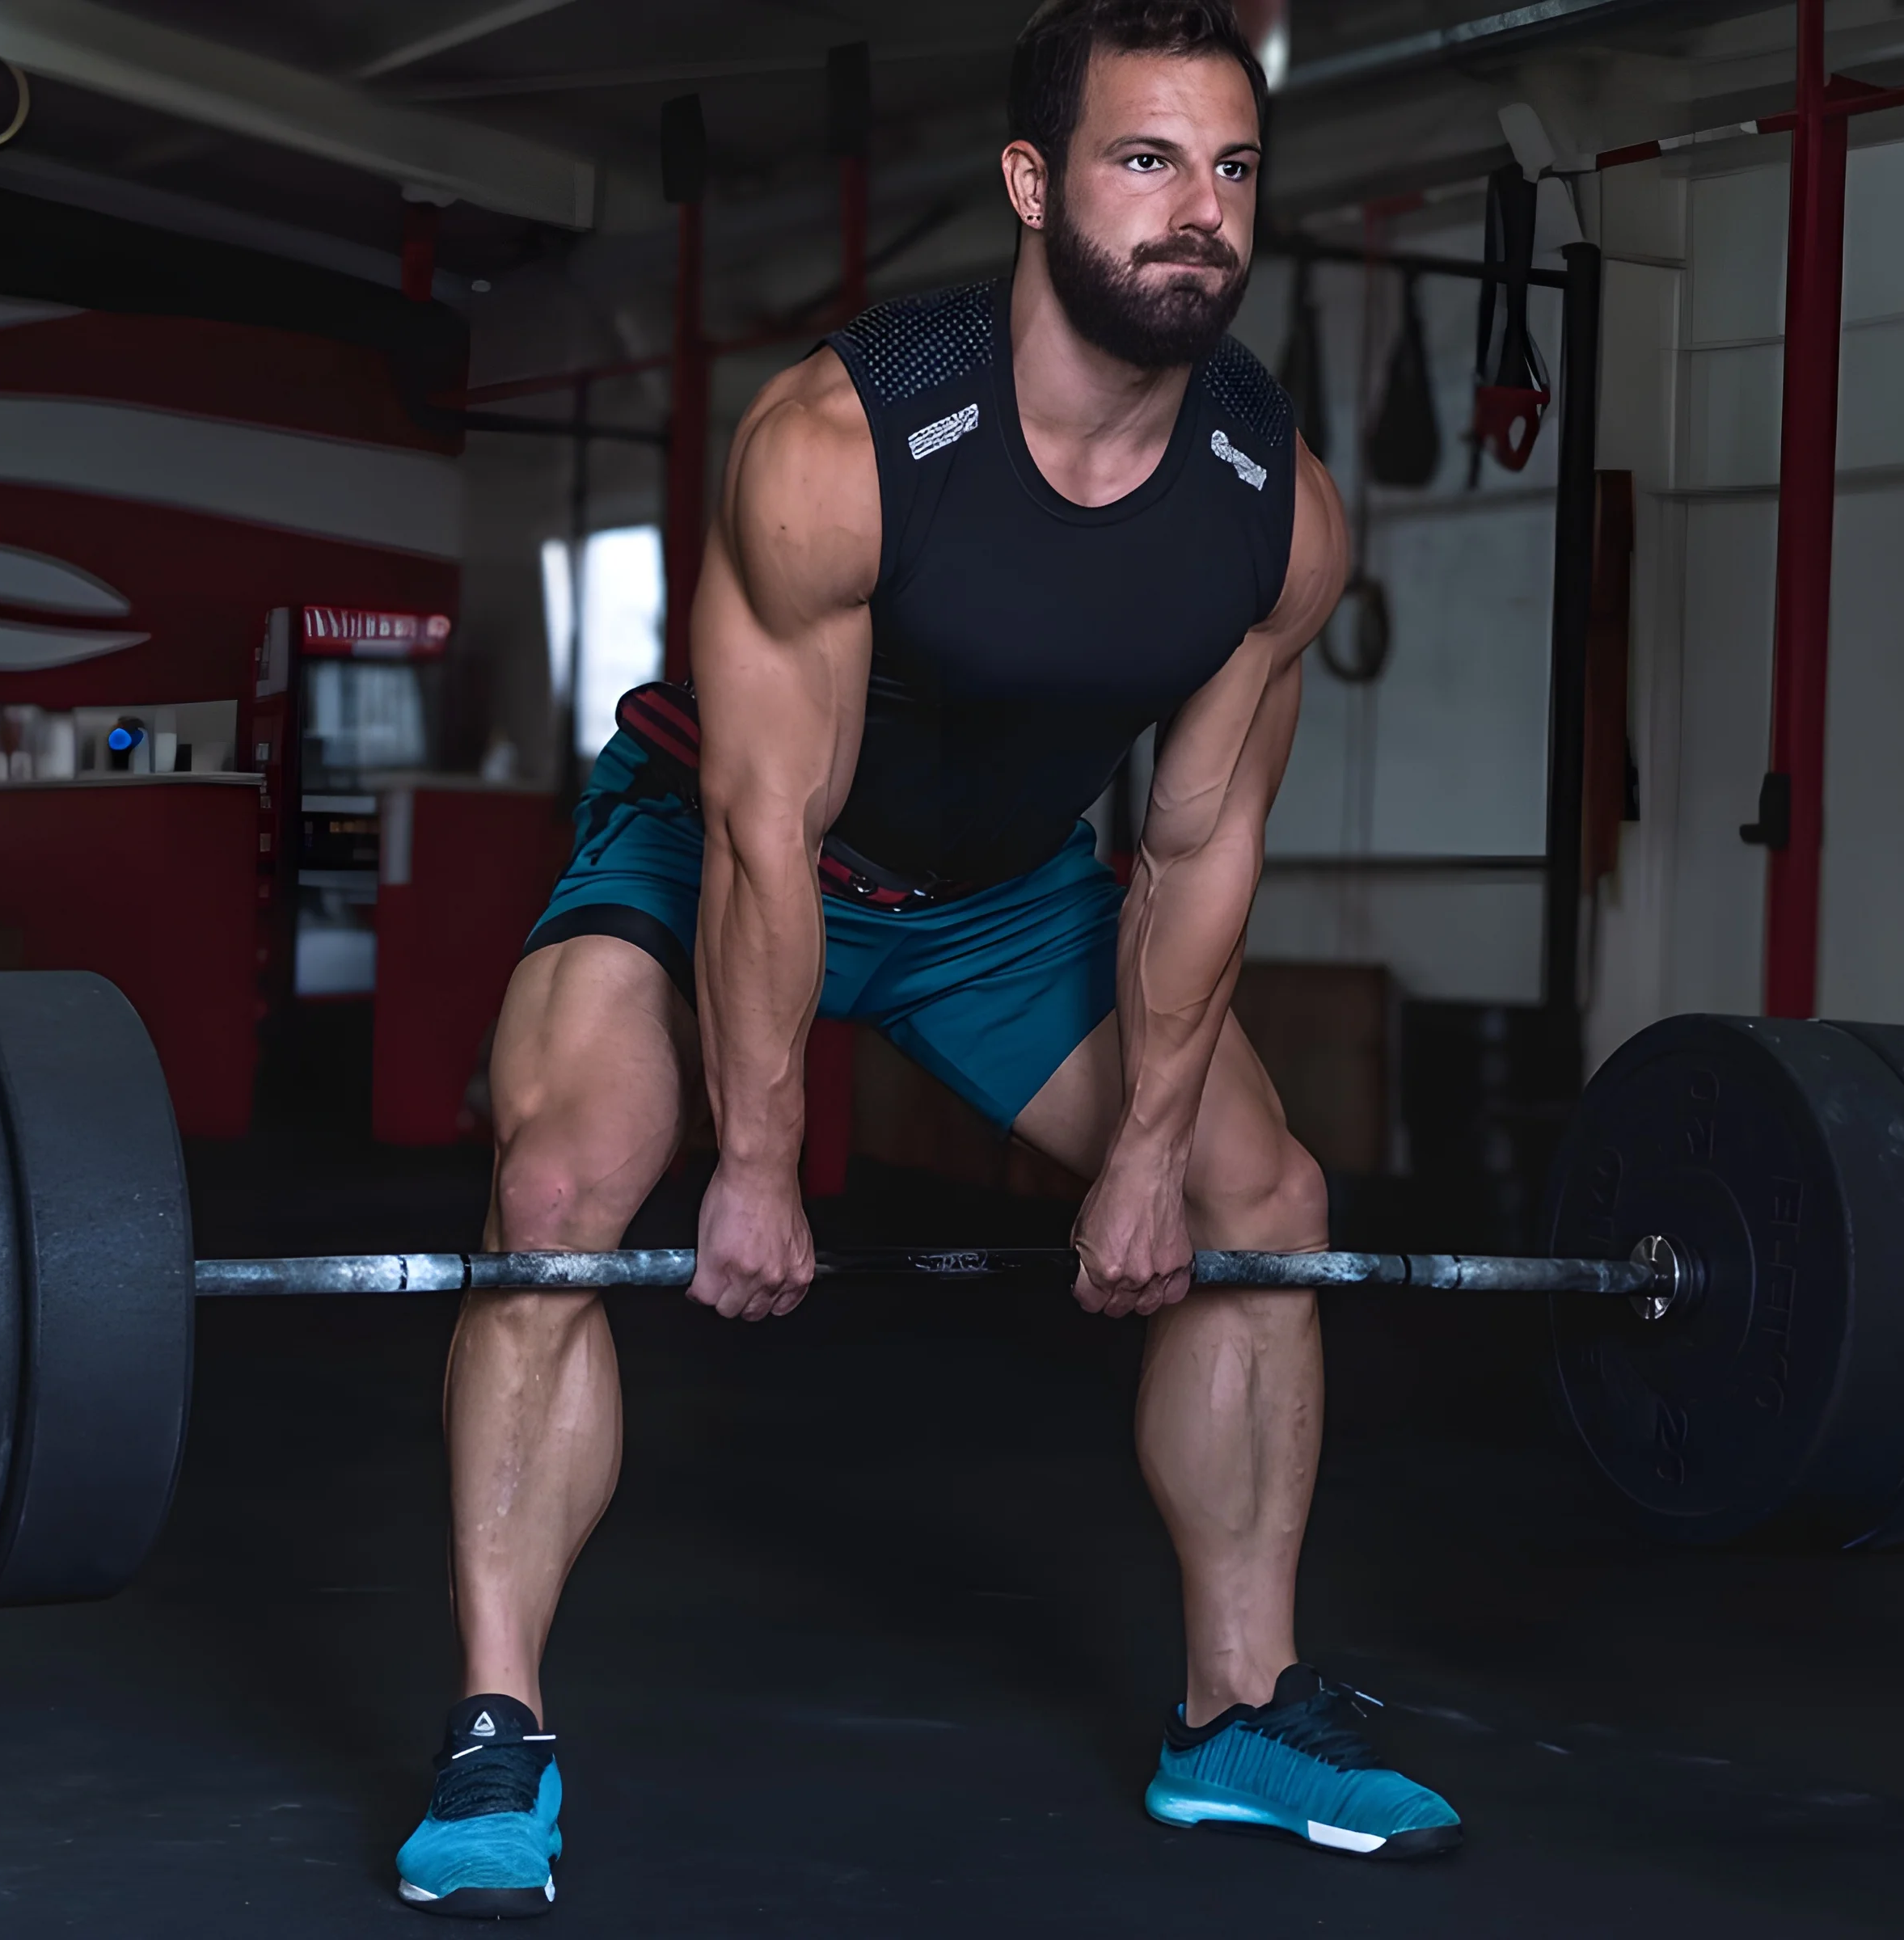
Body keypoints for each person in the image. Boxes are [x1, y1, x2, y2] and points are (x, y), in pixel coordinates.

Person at [395, 0, 1461, 1914]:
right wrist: (749, 1157)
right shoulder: (838, 443)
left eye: (1229, 169)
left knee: (1262, 1196)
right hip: (714, 851)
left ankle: (1235, 1718)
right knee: (554, 1187)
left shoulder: (1267, 511)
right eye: (1146, 162)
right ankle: (499, 1728)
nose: (1195, 213)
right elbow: (760, 834)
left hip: (999, 904)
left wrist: (1144, 1156)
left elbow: (1201, 839)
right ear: (1035, 185)